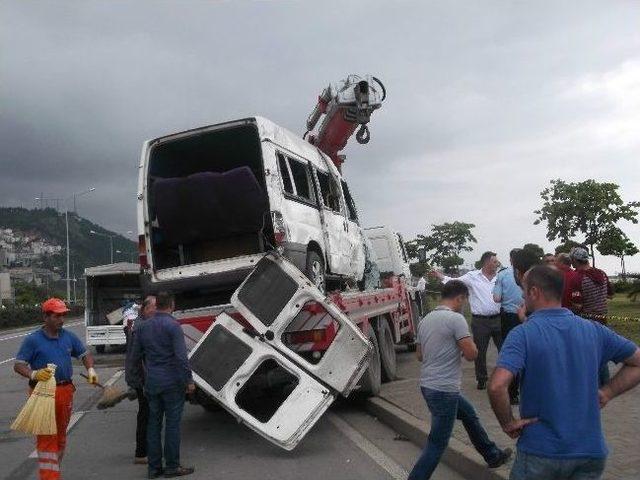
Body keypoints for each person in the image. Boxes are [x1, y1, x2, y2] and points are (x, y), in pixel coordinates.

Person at [488, 266, 640, 480]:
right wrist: (607, 392)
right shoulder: (594, 330)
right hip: (590, 452)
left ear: (534, 292)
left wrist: (508, 423)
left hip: (541, 452)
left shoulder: (522, 335)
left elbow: (497, 386)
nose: (522, 295)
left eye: (524, 289)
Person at [408, 280, 512, 480]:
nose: (465, 304)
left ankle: (493, 455)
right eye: (465, 300)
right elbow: (472, 354)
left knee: (469, 415)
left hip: (429, 385)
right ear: (460, 297)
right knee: (437, 442)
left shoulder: (425, 320)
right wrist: (466, 346)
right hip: (444, 389)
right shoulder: (456, 319)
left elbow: (420, 355)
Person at [13, 298, 99, 480]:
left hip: (65, 392)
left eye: (63, 315)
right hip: (41, 394)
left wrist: (90, 369)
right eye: (57, 316)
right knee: (46, 439)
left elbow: (85, 354)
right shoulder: (33, 340)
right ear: (46, 316)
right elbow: (19, 365)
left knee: (60, 437)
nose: (61, 319)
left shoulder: (68, 337)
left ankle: (54, 473)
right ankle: (49, 477)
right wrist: (34, 374)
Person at [128, 292, 195, 478]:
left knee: (153, 425)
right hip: (172, 382)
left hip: (152, 383)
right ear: (172, 305)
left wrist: (138, 381)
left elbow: (134, 358)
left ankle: (154, 468)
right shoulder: (173, 326)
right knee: (172, 425)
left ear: (157, 306)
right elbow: (181, 358)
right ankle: (172, 466)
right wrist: (188, 380)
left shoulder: (142, 327)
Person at [432, 251, 501, 390]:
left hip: (498, 318)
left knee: (504, 349)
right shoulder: (473, 276)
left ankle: (503, 377)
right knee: (480, 351)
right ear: (486, 262)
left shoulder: (500, 277)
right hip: (480, 320)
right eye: (494, 261)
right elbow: (455, 282)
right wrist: (441, 276)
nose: (497, 264)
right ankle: (482, 379)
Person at [568, 247, 615, 386]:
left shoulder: (577, 277)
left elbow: (577, 305)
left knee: (588, 355)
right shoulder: (602, 273)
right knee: (600, 352)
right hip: (602, 318)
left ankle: (592, 386)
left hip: (586, 321)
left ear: (576, 260)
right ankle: (605, 384)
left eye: (572, 260)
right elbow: (610, 295)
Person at [125, 295, 157, 465]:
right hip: (142, 378)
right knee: (146, 414)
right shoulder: (140, 327)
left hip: (140, 377)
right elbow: (137, 358)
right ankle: (141, 452)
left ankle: (144, 450)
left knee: (147, 413)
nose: (157, 310)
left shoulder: (141, 324)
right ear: (145, 309)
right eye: (154, 307)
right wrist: (143, 382)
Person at [492, 249, 524, 405]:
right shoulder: (532, 273)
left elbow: (496, 298)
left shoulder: (503, 274)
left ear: (511, 259)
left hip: (509, 318)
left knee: (512, 352)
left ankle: (512, 394)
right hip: (528, 315)